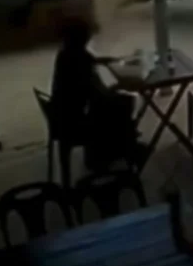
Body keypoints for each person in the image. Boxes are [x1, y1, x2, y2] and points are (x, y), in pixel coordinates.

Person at [50, 18, 140, 174]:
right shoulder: (79, 60)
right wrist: (119, 86)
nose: (89, 39)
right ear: (81, 38)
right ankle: (113, 153)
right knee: (123, 104)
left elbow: (91, 60)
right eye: (87, 36)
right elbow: (98, 96)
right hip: (74, 122)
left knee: (118, 104)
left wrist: (114, 60)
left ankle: (115, 148)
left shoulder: (66, 53)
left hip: (61, 115)